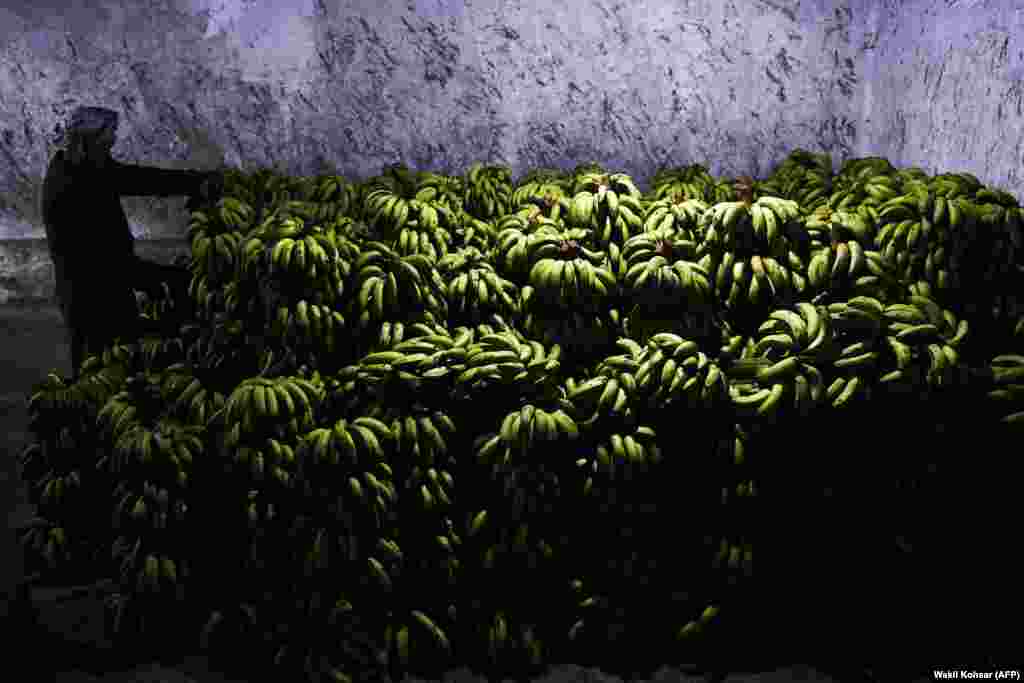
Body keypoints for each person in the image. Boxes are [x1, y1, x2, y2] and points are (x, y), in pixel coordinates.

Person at [40, 106, 225, 379]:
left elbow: (140, 179)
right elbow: (101, 260)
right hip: (90, 295)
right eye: (107, 140)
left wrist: (196, 182)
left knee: (122, 365)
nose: (112, 147)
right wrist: (157, 278)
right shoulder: (66, 188)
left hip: (111, 285)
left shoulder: (89, 168)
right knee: (100, 371)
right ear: (87, 142)